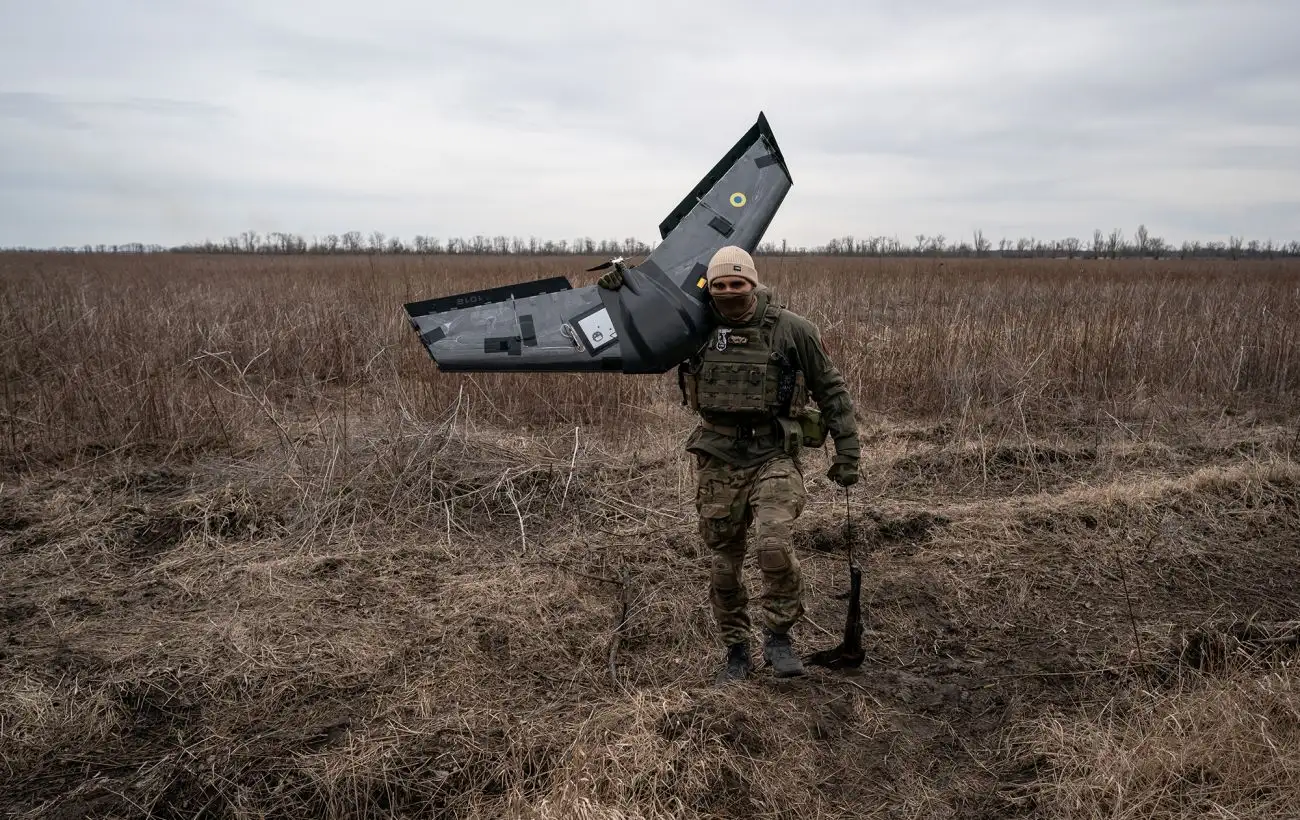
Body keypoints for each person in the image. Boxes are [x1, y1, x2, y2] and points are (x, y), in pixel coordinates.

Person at [600, 246, 860, 684]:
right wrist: (620, 295)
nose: (728, 292)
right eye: (719, 286)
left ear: (753, 283)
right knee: (724, 566)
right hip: (718, 460)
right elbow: (636, 336)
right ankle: (736, 651)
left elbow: (831, 390)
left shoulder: (792, 330)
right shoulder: (694, 328)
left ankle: (778, 636)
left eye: (737, 284)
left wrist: (848, 451)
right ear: (709, 290)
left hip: (773, 454)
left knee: (773, 544)